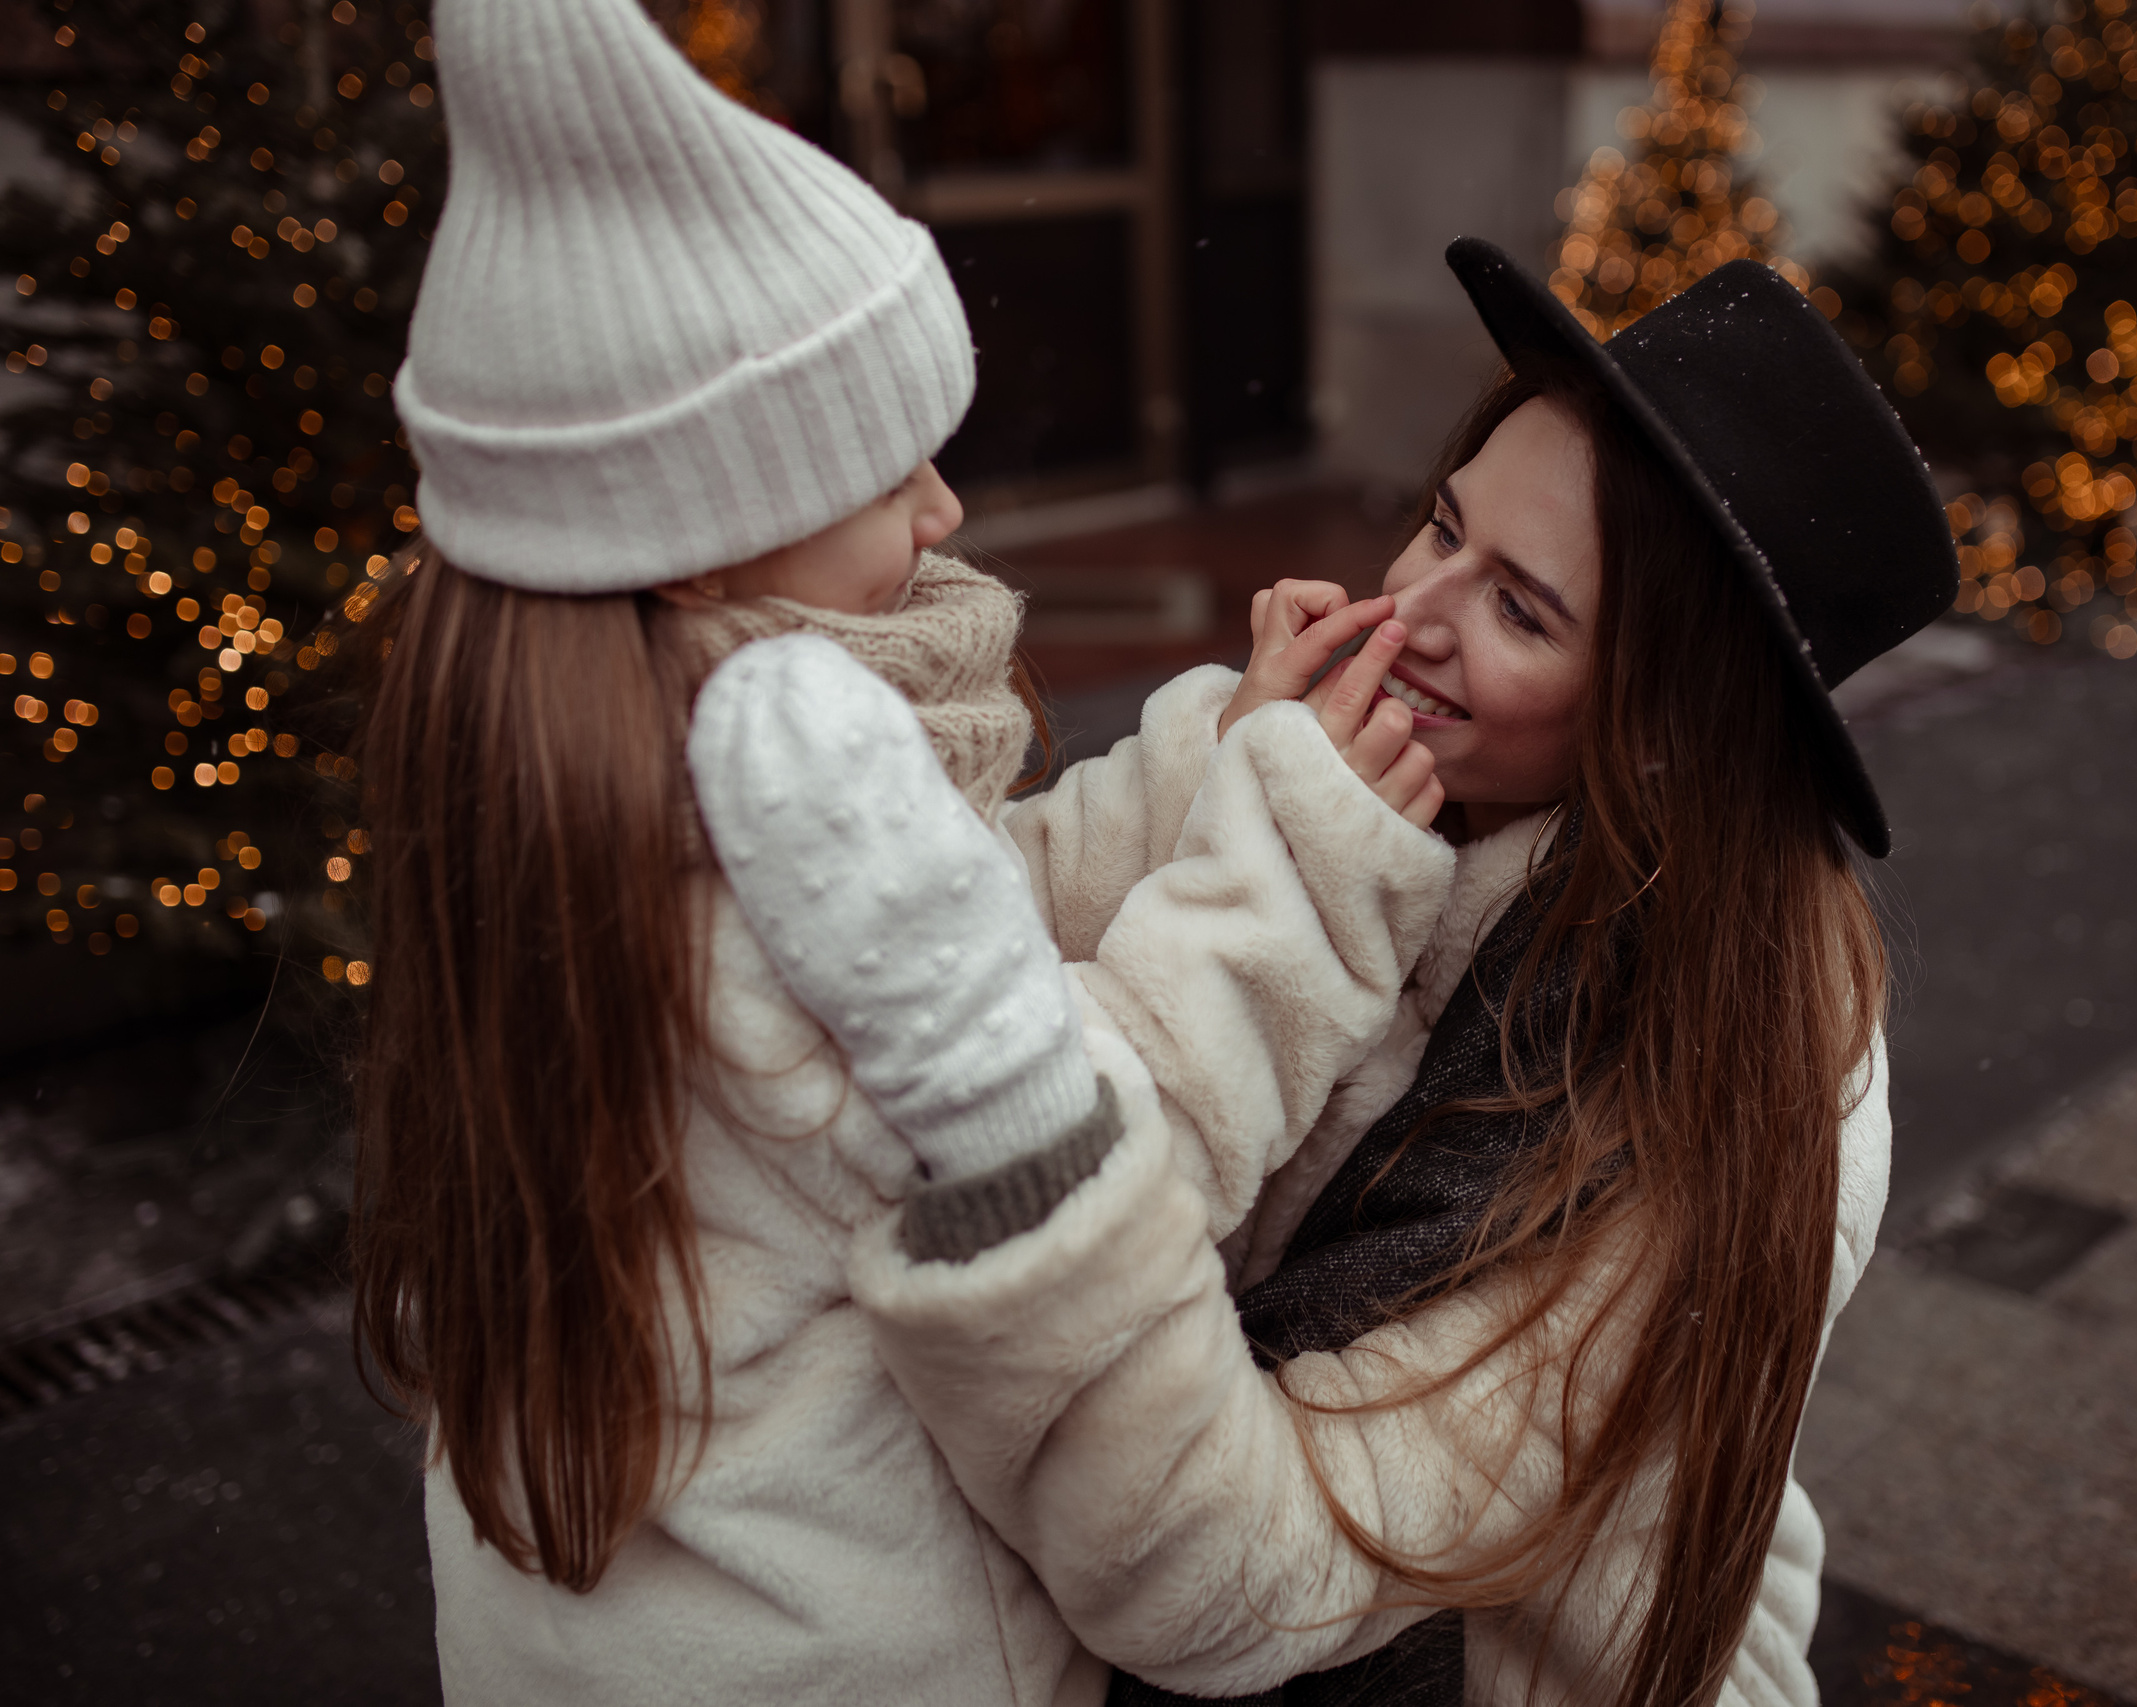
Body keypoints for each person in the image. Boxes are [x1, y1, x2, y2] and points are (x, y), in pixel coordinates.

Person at [347, 2, 1456, 1702]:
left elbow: (972, 916)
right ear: (705, 536)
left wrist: (1213, 770)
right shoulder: (768, 840)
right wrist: (1305, 852)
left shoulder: (576, 790)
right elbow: (1097, 1171)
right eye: (885, 470)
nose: (941, 512)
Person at [847, 243, 1961, 1707]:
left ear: (1661, 730)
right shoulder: (1342, 785)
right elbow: (940, 977)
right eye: (1441, 529)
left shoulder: (1701, 1091)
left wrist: (1280, 867)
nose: (1413, 613)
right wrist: (1226, 777)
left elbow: (1229, 1576)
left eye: (1522, 610)